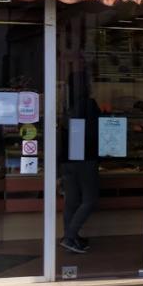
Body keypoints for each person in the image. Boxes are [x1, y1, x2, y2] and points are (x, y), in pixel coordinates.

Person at [59, 68, 101, 254]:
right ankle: (70, 236)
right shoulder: (88, 105)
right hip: (85, 158)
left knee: (72, 201)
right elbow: (94, 133)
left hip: (66, 160)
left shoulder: (66, 105)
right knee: (90, 199)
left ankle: (71, 237)